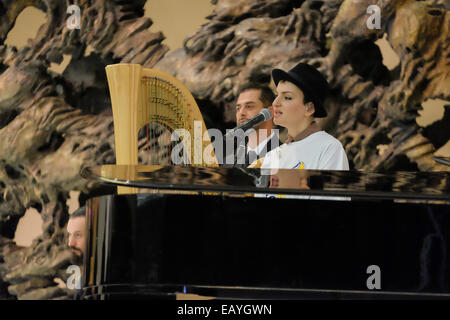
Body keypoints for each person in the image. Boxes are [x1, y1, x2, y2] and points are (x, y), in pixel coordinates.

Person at [253, 62, 349, 170]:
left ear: (309, 108)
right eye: (276, 95)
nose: (275, 103)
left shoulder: (329, 148)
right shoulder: (273, 155)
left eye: (287, 97)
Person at [227, 83, 279, 166]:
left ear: (270, 112)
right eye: (238, 108)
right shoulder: (230, 159)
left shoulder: (286, 156)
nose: (241, 113)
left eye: (249, 106)